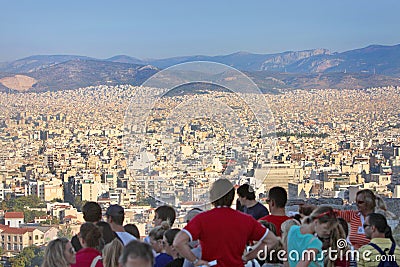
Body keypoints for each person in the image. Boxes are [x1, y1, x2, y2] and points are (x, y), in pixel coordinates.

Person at [174, 178, 279, 267]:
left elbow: (178, 242)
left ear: (212, 197)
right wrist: (248, 257)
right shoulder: (245, 220)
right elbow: (272, 240)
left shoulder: (202, 219)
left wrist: (196, 261)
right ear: (232, 197)